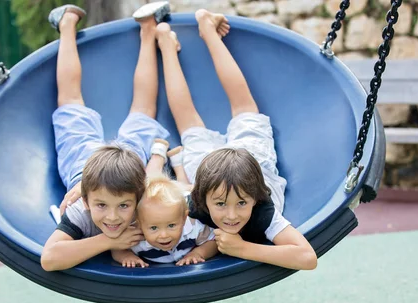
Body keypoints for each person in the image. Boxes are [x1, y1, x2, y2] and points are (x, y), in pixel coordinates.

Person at [156, 10, 318, 270]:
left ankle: (191, 35)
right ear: (203, 199)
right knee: (239, 107)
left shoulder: (262, 212)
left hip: (249, 165)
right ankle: (184, 38)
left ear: (253, 199)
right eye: (220, 205)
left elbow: (307, 258)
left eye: (241, 203)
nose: (231, 215)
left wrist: (243, 248)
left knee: (189, 123)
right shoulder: (196, 203)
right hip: (216, 169)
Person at [41, 2, 173, 271]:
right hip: (86, 168)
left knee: (139, 110)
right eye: (101, 205)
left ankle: (149, 31)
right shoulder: (82, 209)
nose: (112, 217)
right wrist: (106, 241)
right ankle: (66, 26)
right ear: (89, 201)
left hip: (124, 163)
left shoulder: (143, 198)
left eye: (124, 206)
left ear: (137, 198)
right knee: (73, 101)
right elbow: (50, 258)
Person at [111, 174, 218, 267]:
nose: (164, 235)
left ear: (184, 218)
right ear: (139, 223)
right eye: (153, 228)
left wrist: (198, 253)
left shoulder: (193, 227)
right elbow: (117, 248)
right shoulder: (137, 238)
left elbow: (214, 240)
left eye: (171, 225)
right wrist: (127, 256)